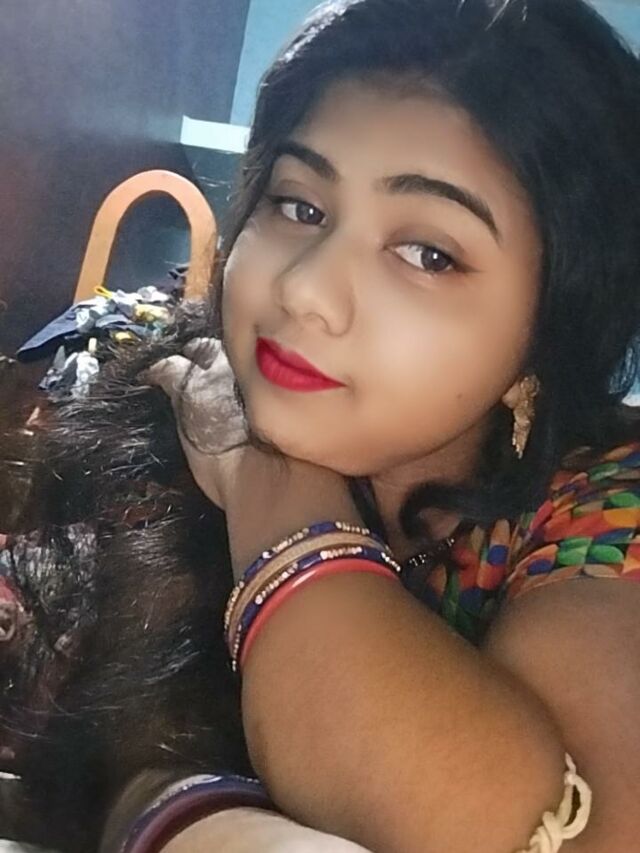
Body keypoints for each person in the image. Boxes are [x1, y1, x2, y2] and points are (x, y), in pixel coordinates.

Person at [1, 0, 640, 850]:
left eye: (428, 254)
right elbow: (115, 746)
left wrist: (271, 486)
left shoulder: (601, 510)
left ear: (546, 336)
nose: (303, 289)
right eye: (299, 206)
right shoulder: (159, 402)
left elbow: (556, 829)